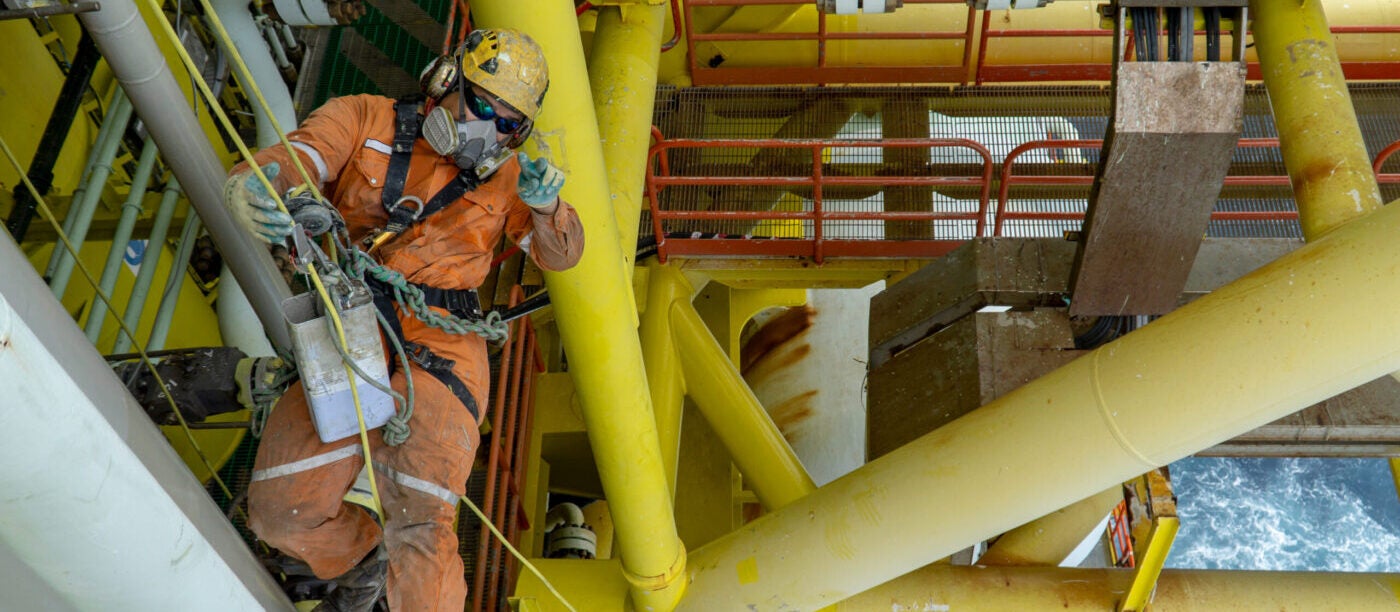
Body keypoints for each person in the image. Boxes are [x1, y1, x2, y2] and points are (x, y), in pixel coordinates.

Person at [225, 29, 583, 611]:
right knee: (280, 513)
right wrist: (259, 186)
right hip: (353, 326)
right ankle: (362, 560)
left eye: (508, 125)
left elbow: (561, 255)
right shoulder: (365, 119)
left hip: (444, 339)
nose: (487, 131)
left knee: (422, 511)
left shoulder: (511, 181)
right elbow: (303, 157)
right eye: (483, 105)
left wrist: (548, 208)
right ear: (446, 80)